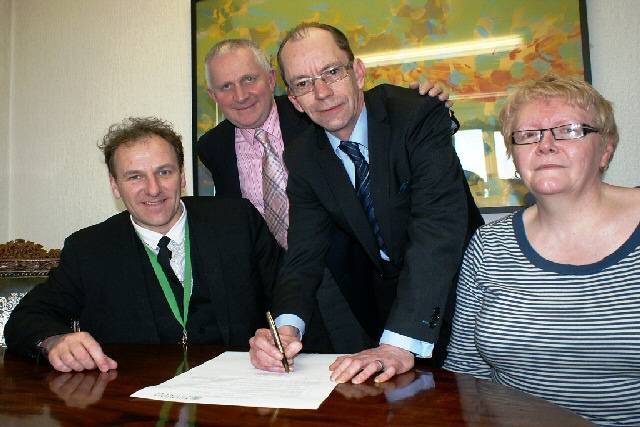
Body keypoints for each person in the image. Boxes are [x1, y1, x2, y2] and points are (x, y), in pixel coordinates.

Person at [249, 23, 483, 384]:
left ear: (357, 73)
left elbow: (436, 231)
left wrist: (399, 340)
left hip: (464, 293)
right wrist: (286, 328)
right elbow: (303, 254)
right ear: (294, 101)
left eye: (331, 72)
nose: (322, 92)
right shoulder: (304, 156)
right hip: (389, 306)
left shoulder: (416, 116)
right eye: (302, 83)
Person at [197, 38, 451, 353]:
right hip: (288, 280)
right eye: (226, 86)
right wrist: (284, 325)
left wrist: (422, 103)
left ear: (271, 81)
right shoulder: (214, 148)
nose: (240, 95)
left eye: (249, 79)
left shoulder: (319, 120)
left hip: (359, 278)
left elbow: (434, 225)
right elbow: (262, 232)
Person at [4, 117, 282, 372]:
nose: (153, 189)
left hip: (239, 392)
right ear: (115, 185)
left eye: (164, 172)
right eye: (135, 176)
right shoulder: (88, 249)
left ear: (182, 175)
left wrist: (280, 332)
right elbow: (25, 319)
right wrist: (55, 341)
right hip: (135, 399)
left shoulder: (237, 222)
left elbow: (288, 292)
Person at [444, 75, 640, 426]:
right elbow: (466, 372)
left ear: (606, 149)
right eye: (528, 135)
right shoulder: (489, 247)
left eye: (568, 130)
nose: (545, 145)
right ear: (514, 156)